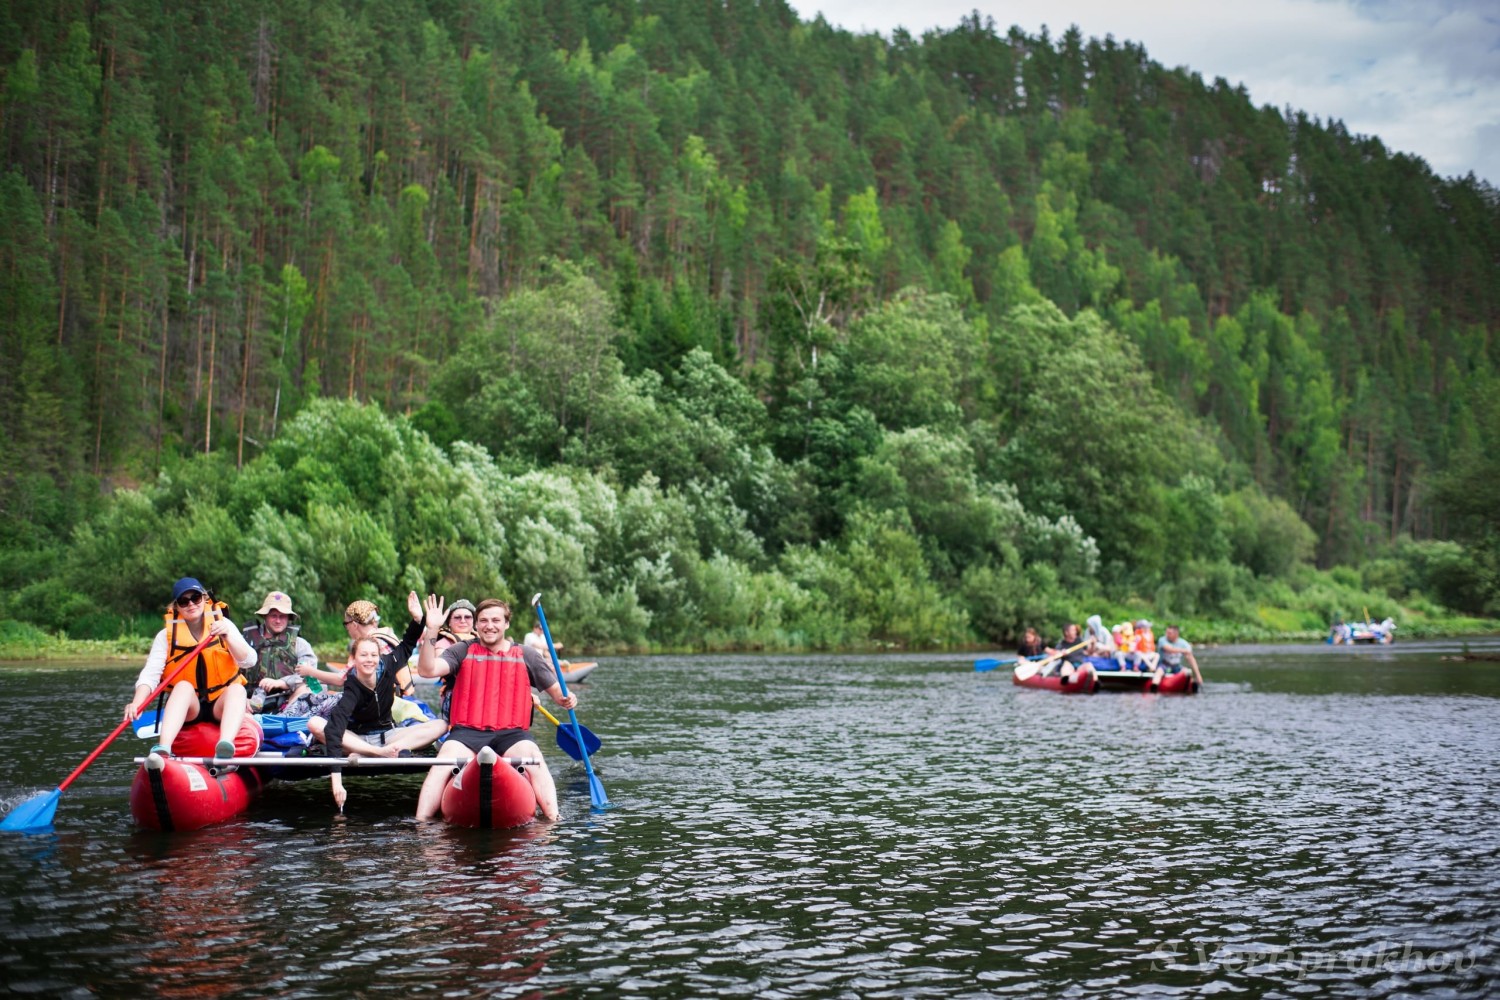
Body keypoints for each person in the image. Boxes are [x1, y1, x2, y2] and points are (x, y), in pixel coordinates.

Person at [414, 595, 577, 822]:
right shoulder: (461, 651)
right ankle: (422, 824)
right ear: (477, 624)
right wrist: (431, 630)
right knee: (443, 761)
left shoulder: (528, 655)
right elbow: (426, 670)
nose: (489, 626)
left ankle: (552, 820)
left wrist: (568, 698)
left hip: (512, 734)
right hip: (467, 733)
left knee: (534, 758)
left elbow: (560, 695)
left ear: (506, 623)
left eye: (495, 620)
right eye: (483, 620)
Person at [124, 577, 257, 759]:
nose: (191, 604)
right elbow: (150, 675)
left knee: (238, 690)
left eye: (195, 598)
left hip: (220, 703)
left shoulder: (224, 625)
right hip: (190, 708)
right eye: (183, 601)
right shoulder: (165, 636)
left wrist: (228, 637)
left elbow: (250, 661)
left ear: (204, 599)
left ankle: (225, 744)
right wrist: (137, 703)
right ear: (176, 606)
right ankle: (163, 749)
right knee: (183, 687)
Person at [317, 635, 448, 810]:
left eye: (373, 655)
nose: (369, 660)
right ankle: (376, 752)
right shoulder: (352, 686)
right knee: (315, 723)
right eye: (363, 655)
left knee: (440, 725)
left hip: (389, 737)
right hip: (359, 740)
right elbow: (335, 728)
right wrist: (337, 782)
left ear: (379, 657)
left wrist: (420, 621)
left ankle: (380, 752)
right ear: (354, 659)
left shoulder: (388, 665)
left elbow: (408, 644)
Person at [241, 591, 318, 714]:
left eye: (282, 616)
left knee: (307, 689)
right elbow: (229, 674)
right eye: (274, 615)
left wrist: (282, 682)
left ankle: (284, 717)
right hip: (250, 702)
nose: (278, 621)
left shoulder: (300, 644)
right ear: (265, 616)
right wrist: (241, 699)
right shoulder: (244, 641)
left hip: (287, 702)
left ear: (288, 618)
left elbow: (311, 679)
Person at [1154, 623, 1202, 688]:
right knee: (1158, 673)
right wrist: (1184, 651)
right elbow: (1169, 649)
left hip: (1176, 666)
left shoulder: (1184, 644)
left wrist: (1198, 675)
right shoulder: (1162, 640)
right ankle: (1154, 688)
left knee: (1187, 672)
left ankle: (1192, 687)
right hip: (1164, 665)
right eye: (1167, 632)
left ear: (1176, 634)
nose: (1167, 634)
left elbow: (1190, 658)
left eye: (1169, 633)